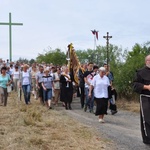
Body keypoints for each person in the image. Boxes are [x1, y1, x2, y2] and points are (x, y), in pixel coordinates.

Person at [133, 55, 150, 144]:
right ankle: (147, 138)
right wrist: (146, 87)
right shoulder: (140, 72)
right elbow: (135, 85)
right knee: (146, 118)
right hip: (145, 97)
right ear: (147, 62)